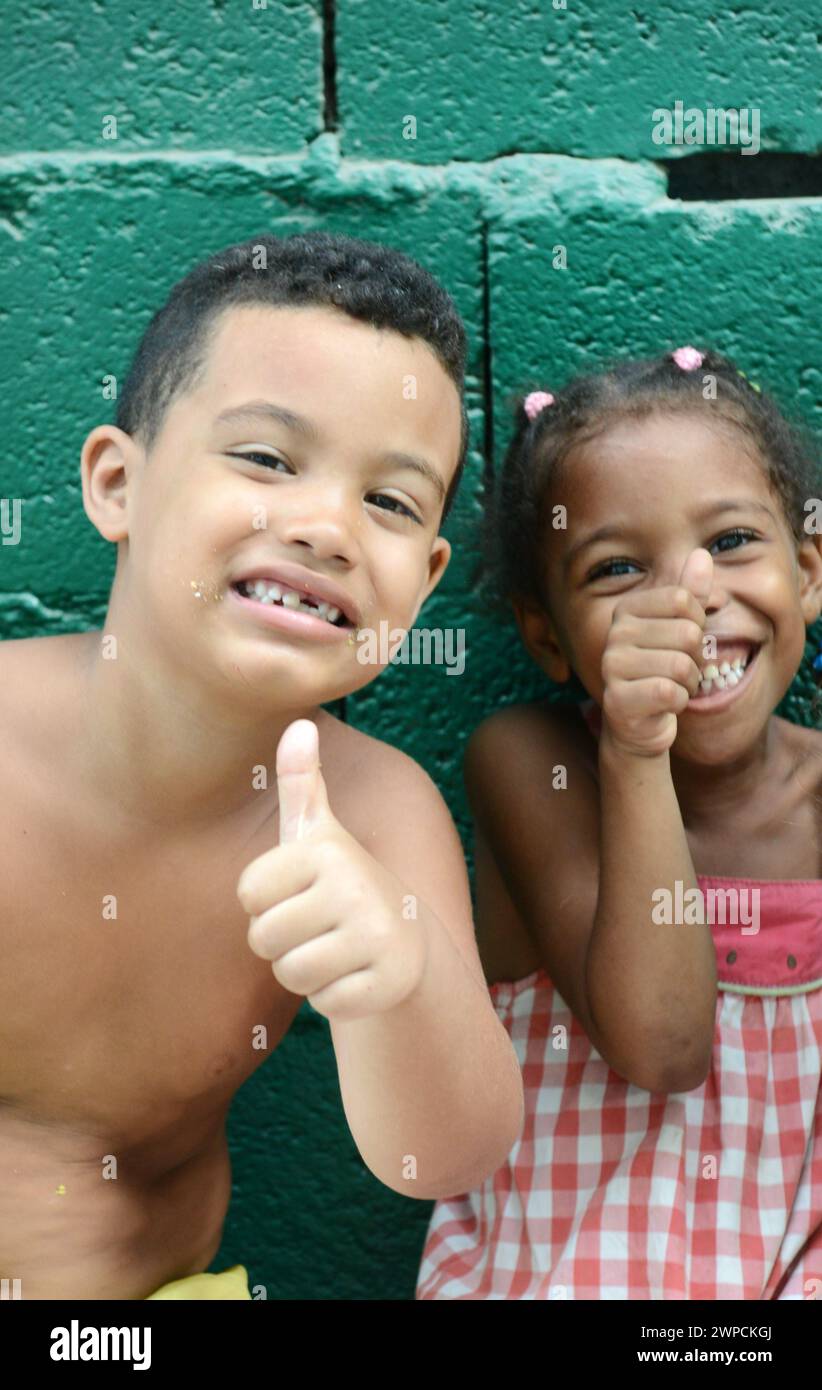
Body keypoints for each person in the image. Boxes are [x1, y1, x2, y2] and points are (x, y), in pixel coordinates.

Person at [0, 230, 524, 1300]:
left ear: (422, 583)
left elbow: (447, 1156)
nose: (328, 526)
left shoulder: (374, 810)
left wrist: (398, 979)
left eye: (389, 501)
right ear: (117, 486)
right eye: (267, 458)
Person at [417, 345, 822, 1300]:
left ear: (808, 571)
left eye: (730, 543)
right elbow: (663, 1049)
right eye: (617, 568)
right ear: (547, 635)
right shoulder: (530, 766)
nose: (689, 598)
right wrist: (635, 752)